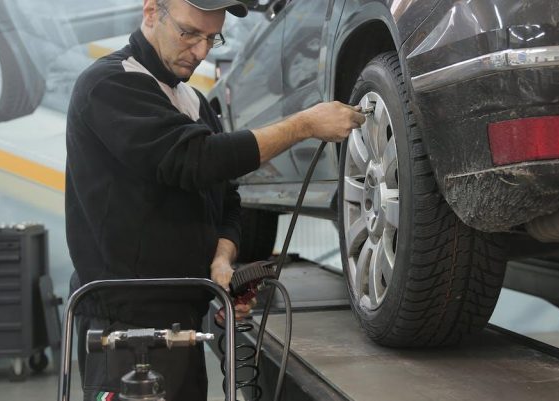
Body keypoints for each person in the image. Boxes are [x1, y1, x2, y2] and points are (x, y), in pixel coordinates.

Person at [64, 0, 365, 399]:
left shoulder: (194, 103)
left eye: (212, 37)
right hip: (124, 325)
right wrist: (304, 124)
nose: (203, 51)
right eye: (189, 33)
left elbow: (228, 198)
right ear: (152, 12)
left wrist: (221, 261)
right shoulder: (109, 85)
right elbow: (194, 160)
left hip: (182, 319)